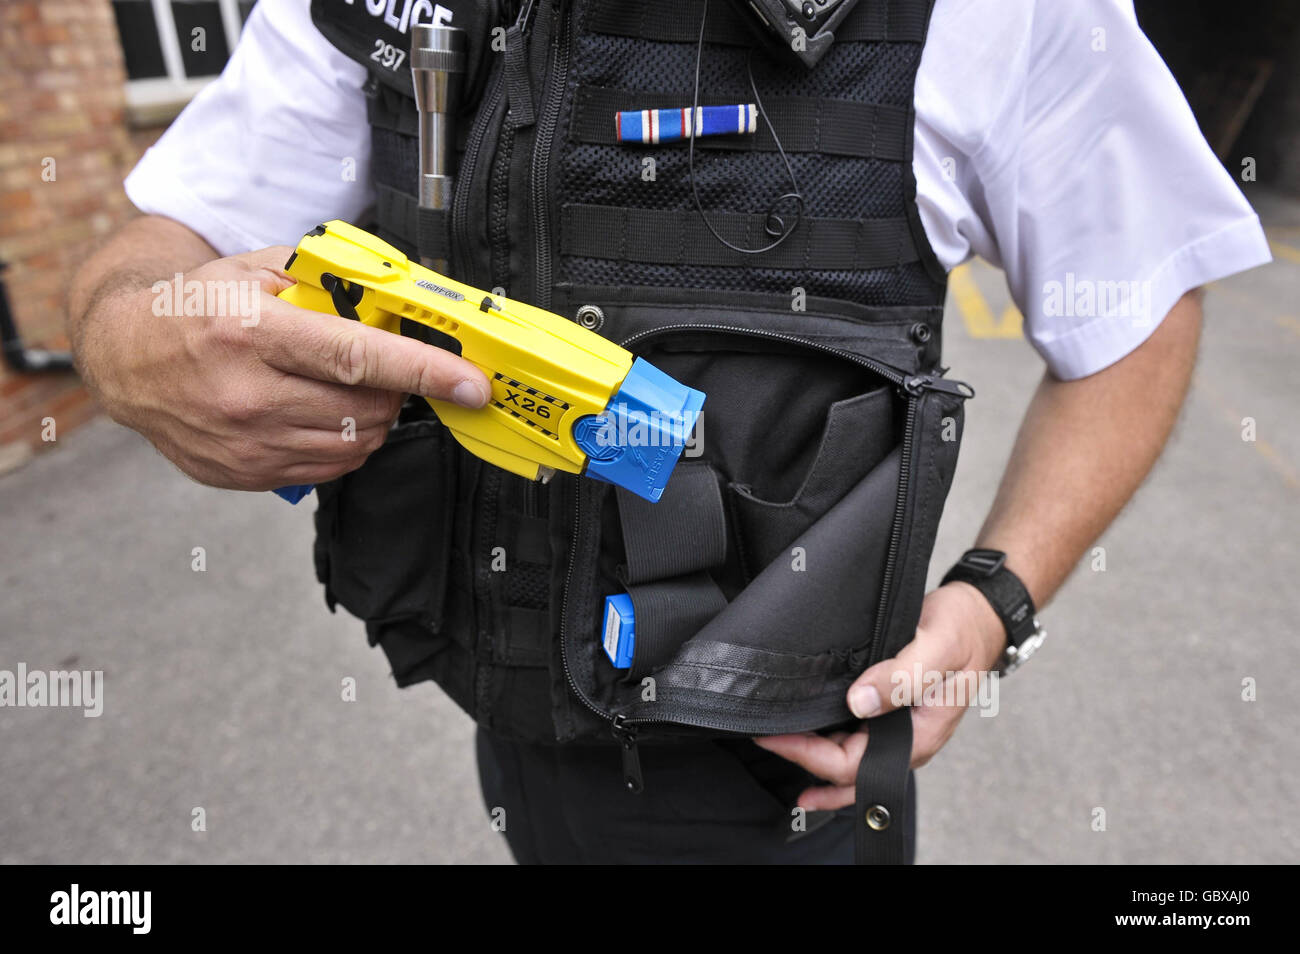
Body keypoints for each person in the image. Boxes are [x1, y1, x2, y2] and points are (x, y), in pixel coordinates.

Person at [68, 0, 1271, 864]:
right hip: (510, 709)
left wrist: (986, 609)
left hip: (780, 775)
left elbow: (1141, 300)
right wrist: (129, 335)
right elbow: (160, 239)